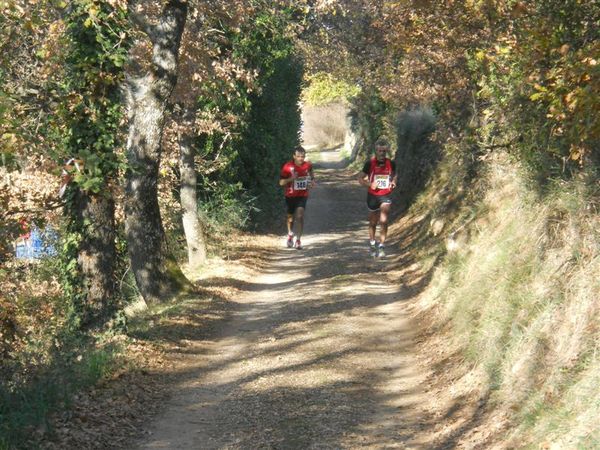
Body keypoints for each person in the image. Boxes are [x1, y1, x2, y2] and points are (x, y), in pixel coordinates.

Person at [357, 137, 397, 257]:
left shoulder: (391, 163)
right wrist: (370, 184)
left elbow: (395, 175)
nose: (382, 153)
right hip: (372, 196)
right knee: (373, 222)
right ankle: (372, 242)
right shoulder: (369, 163)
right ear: (376, 151)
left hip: (385, 195)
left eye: (384, 151)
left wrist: (394, 181)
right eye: (379, 151)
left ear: (386, 152)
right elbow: (360, 178)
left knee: (384, 220)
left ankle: (382, 245)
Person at [279, 146, 315, 250]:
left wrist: (312, 180)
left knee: (299, 216)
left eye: (302, 156)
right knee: (290, 218)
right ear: (294, 156)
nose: (300, 158)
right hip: (290, 196)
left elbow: (311, 172)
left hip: (302, 195)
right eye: (298, 156)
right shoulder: (287, 167)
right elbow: (281, 182)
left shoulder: (307, 165)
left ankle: (298, 240)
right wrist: (291, 178)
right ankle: (290, 234)